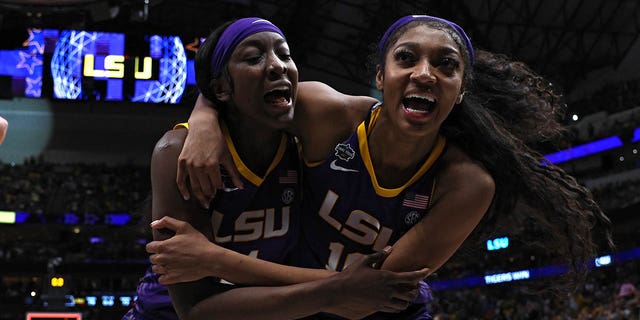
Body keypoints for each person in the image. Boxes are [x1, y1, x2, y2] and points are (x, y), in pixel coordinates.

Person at [150, 15, 614, 318]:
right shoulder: (324, 112)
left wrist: (216, 261)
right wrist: (203, 116)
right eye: (407, 58)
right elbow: (239, 93)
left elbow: (366, 298)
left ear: (462, 88)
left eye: (445, 65)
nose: (425, 74)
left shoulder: (467, 183)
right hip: (300, 302)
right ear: (380, 76)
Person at [124, 17, 428, 320]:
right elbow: (195, 310)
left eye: (285, 55)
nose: (277, 66)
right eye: (254, 57)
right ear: (220, 88)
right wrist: (336, 290)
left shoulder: (308, 136)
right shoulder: (178, 151)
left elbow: (389, 116)